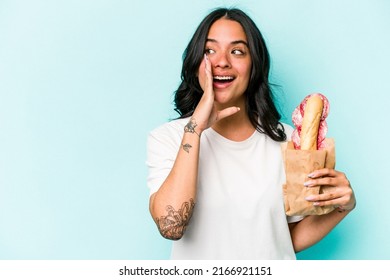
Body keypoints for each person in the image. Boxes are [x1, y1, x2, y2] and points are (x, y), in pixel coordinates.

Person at [146, 7, 356, 259]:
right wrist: (195, 129)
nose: (222, 61)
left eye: (237, 51)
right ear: (195, 65)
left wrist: (343, 207)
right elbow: (171, 227)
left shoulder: (287, 140)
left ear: (254, 65)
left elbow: (283, 239)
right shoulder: (167, 138)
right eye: (209, 50)